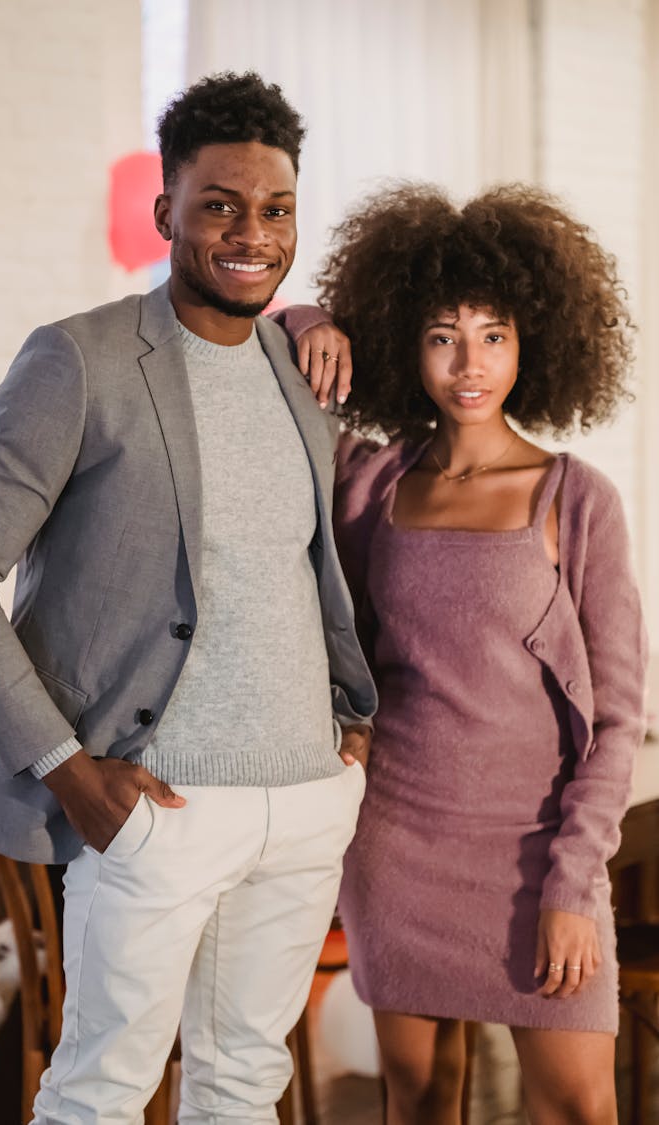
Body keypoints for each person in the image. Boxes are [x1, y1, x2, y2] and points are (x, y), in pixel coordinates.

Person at [0, 71, 376, 1124]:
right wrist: (69, 773)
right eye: (219, 203)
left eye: (276, 208)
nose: (251, 231)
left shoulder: (307, 367)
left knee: (247, 1083)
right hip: (159, 805)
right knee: (101, 1092)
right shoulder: (79, 361)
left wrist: (346, 737)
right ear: (166, 211)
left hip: (306, 801)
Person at [280, 183, 648, 1124]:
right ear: (409, 340)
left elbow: (614, 721)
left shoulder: (579, 499)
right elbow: (275, 335)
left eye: (494, 334)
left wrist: (574, 880)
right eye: (444, 334)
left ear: (534, 341)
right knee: (420, 1104)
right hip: (398, 841)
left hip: (538, 851)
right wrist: (319, 315)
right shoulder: (374, 482)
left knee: (577, 1107)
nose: (469, 362)